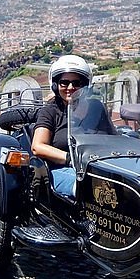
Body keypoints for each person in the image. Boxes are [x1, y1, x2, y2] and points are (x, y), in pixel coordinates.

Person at [31, 54, 92, 199]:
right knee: (87, 188)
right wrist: (70, 158)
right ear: (55, 85)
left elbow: (111, 136)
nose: (70, 87)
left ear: (84, 86)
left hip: (93, 168)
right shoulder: (50, 111)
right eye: (64, 82)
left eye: (76, 83)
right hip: (60, 169)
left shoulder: (95, 108)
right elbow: (37, 146)